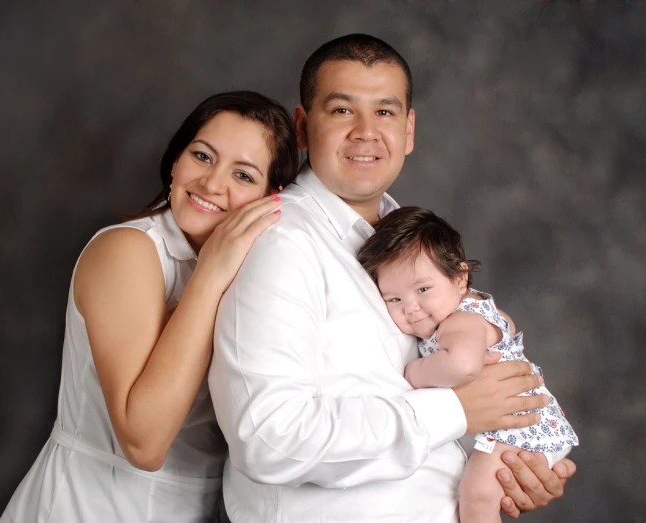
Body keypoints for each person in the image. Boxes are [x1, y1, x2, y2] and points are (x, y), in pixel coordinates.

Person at [209, 34, 577, 522]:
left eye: (384, 112)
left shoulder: (406, 239)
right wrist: (460, 411)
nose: (366, 132)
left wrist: (511, 468)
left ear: (408, 129)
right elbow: (268, 440)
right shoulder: (279, 243)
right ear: (302, 127)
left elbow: (431, 403)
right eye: (342, 111)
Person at [0, 91, 300, 523]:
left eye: (243, 175)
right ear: (175, 160)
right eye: (202, 155)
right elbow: (144, 442)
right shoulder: (129, 250)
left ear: (272, 199)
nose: (214, 184)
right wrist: (210, 273)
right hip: (87, 506)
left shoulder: (262, 272)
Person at [357, 206, 580, 523]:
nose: (412, 308)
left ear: (459, 279)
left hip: (519, 430)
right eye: (394, 299)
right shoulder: (465, 308)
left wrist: (413, 373)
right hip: (519, 423)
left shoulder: (461, 321)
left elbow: (463, 366)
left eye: (423, 289)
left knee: (476, 495)